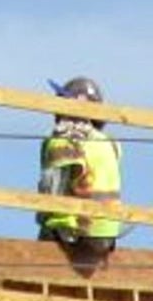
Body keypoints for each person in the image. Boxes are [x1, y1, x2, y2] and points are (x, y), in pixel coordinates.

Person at [37, 74, 124, 271]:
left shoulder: (63, 141)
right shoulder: (111, 144)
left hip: (77, 231)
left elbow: (52, 196)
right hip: (107, 236)